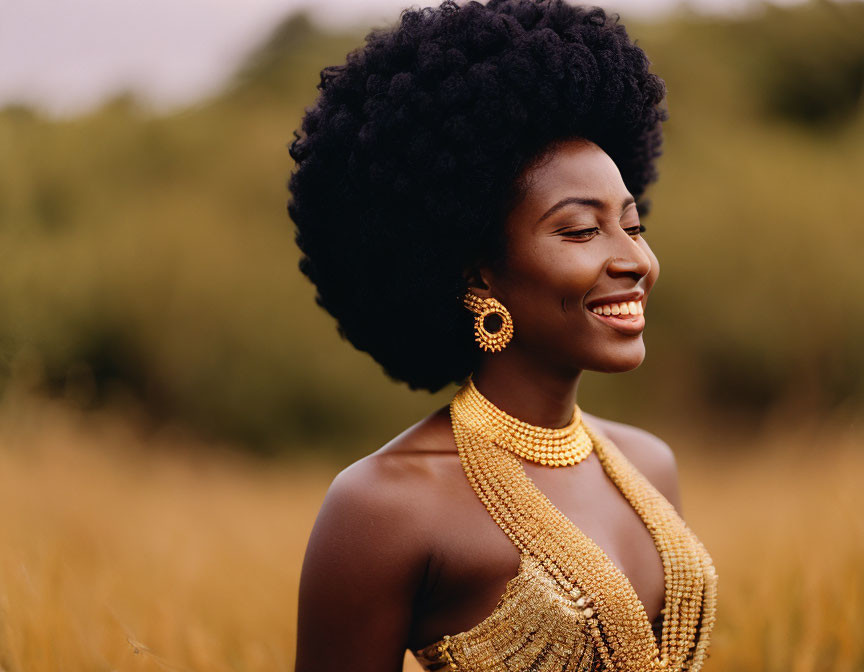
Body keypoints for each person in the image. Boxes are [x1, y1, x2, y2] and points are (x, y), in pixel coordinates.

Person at [287, 1, 718, 670]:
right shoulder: (385, 507)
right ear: (478, 273)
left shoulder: (648, 465)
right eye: (580, 230)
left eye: (632, 225)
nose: (635, 260)